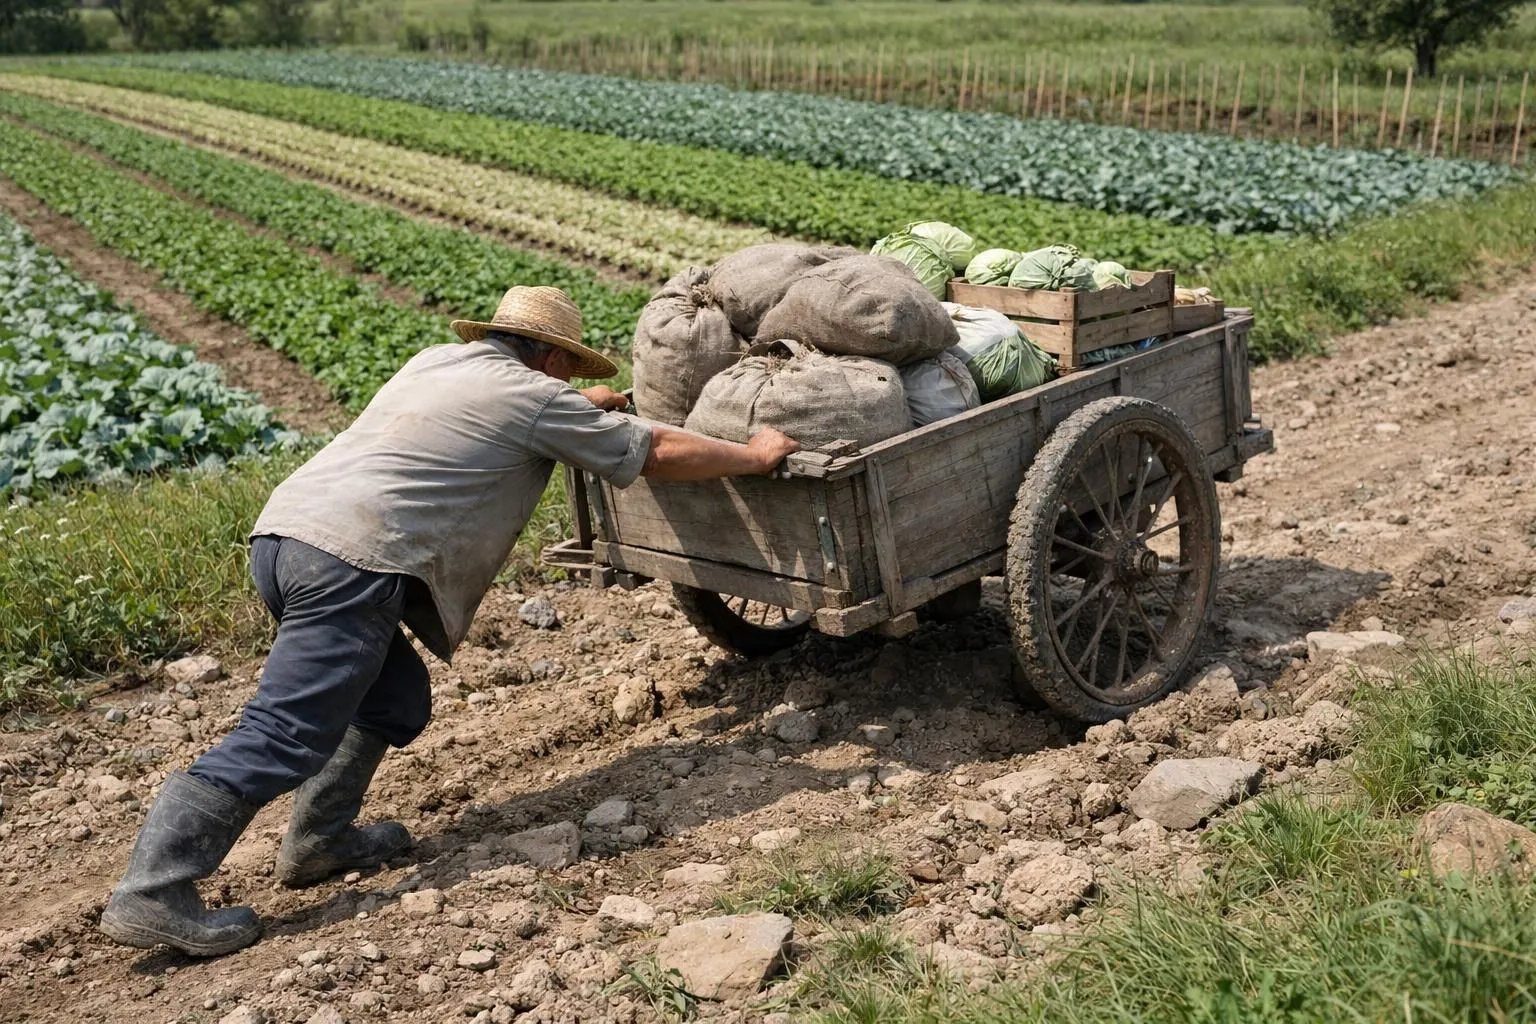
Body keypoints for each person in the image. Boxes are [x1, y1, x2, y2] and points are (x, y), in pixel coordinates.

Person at [99, 286, 799, 956]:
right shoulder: (533, 398)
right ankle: (154, 889)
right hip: (353, 562)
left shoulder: (437, 362)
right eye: (567, 370)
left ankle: (320, 840)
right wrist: (754, 454)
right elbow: (654, 452)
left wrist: (582, 406)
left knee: (392, 697)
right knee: (283, 732)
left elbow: (498, 416)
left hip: (286, 539)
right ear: (552, 357)